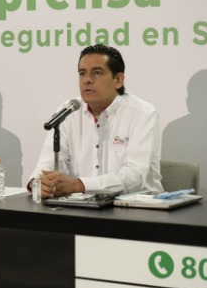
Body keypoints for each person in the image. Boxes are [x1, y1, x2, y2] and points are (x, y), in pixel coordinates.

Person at [28, 44, 162, 199]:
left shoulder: (143, 114)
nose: (87, 80)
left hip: (136, 206)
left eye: (97, 73)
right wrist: (39, 184)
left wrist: (79, 185)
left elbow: (134, 177)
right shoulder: (68, 111)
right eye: (82, 73)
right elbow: (48, 163)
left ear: (118, 80)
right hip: (81, 206)